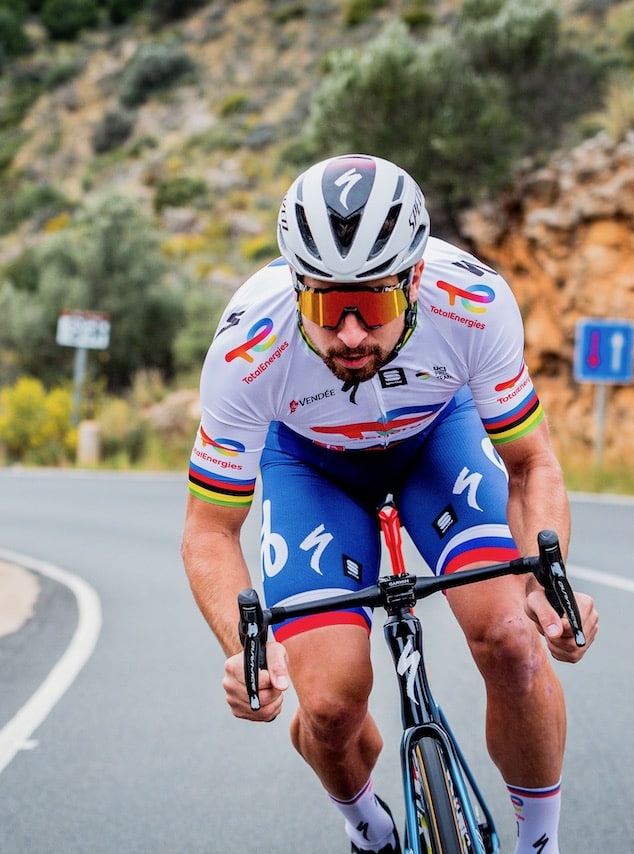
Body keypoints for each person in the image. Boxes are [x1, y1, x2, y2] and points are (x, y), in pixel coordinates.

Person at [180, 153, 598, 854]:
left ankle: (539, 845)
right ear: (295, 285)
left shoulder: (473, 302)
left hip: (438, 438)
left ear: (415, 279)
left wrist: (544, 587)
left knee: (513, 640)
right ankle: (367, 829)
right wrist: (246, 653)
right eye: (324, 305)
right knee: (328, 705)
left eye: (372, 305)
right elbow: (209, 532)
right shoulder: (246, 348)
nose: (349, 333)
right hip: (312, 465)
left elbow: (532, 464)